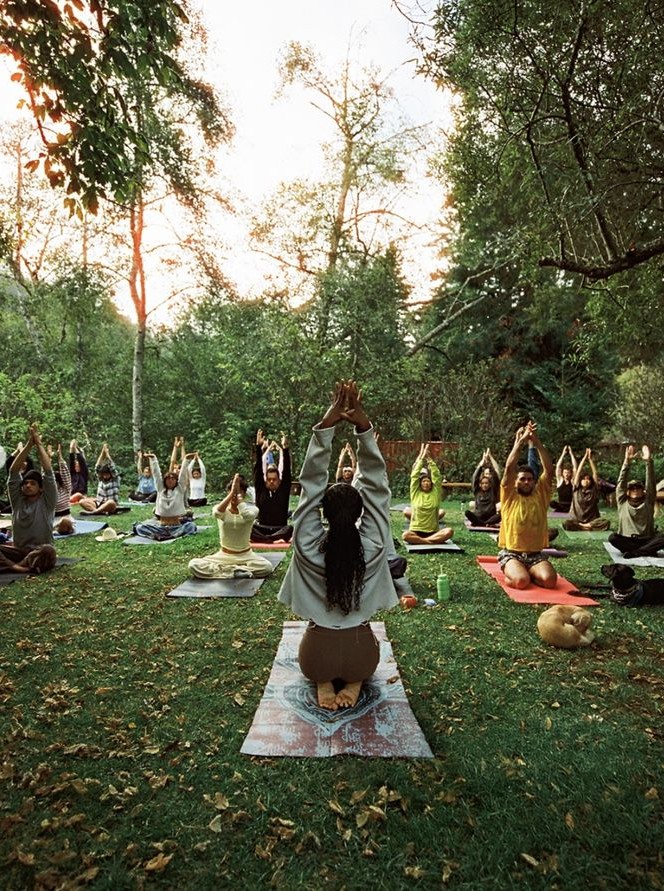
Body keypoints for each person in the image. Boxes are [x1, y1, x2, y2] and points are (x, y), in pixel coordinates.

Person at [278, 380, 398, 710]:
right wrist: (363, 428)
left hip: (315, 657)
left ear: (323, 513)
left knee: (320, 660)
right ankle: (356, 681)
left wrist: (326, 427)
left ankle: (324, 681)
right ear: (361, 512)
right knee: (360, 657)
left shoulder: (306, 545)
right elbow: (376, 488)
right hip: (363, 656)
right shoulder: (374, 545)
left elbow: (311, 483)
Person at [498, 422, 557, 589]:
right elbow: (509, 468)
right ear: (516, 482)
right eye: (522, 479)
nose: (526, 482)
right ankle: (516, 573)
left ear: (534, 482)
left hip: (535, 555)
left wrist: (537, 442)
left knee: (550, 581)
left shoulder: (541, 494)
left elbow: (549, 470)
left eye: (530, 479)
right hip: (512, 554)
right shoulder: (509, 495)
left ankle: (528, 572)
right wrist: (521, 441)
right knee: (521, 582)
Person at [188, 474, 273, 578]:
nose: (234, 495)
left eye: (239, 492)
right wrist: (232, 492)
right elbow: (217, 513)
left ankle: (229, 571)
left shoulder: (252, 509)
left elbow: (247, 516)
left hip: (245, 555)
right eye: (232, 492)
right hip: (224, 555)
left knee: (267, 567)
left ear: (244, 494)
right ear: (228, 492)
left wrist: (239, 501)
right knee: (194, 565)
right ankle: (234, 572)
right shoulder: (221, 509)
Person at [0, 425, 58, 571]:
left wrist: (38, 444)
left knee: (48, 551)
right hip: (18, 551)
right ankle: (20, 567)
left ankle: (16, 567)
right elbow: (13, 471)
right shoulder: (18, 501)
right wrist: (28, 445)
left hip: (40, 552)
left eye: (32, 483)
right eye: (25, 483)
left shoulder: (47, 502)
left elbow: (48, 472)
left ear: (41, 488)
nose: (27, 486)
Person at [608, 445, 664, 558]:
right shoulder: (622, 501)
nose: (635, 490)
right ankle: (645, 551)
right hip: (628, 540)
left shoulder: (648, 501)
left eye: (638, 488)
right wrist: (627, 462)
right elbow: (621, 483)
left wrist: (648, 461)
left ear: (643, 491)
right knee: (613, 538)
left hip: (646, 539)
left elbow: (651, 483)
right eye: (632, 488)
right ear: (627, 492)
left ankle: (636, 553)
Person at [132, 452, 196, 541]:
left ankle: (171, 536)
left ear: (176, 481)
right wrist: (153, 459)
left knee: (191, 526)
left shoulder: (179, 489)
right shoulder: (160, 489)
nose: (170, 480)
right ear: (164, 481)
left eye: (173, 479)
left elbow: (183, 475)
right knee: (139, 527)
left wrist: (186, 460)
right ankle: (163, 535)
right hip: (161, 528)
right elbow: (156, 474)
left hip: (176, 527)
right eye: (168, 478)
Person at [402, 443, 454, 545]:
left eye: (428, 481)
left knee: (449, 531)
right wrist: (421, 460)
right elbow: (414, 476)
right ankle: (430, 542)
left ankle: (423, 541)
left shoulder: (435, 493)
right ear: (420, 483)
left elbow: (437, 476)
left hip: (433, 532)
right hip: (416, 531)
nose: (426, 483)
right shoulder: (415, 493)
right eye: (423, 481)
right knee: (405, 535)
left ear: (431, 483)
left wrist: (429, 459)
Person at [251, 431, 293, 543]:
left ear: (279, 480)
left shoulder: (283, 490)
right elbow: (258, 471)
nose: (271, 482)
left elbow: (287, 473)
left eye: (274, 479)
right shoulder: (261, 490)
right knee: (249, 528)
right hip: (262, 528)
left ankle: (267, 540)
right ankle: (271, 539)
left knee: (290, 529)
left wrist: (285, 449)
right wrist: (259, 447)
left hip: (280, 528)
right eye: (269, 479)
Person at [562, 448, 610, 531]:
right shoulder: (576, 489)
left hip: (591, 521)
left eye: (588, 479)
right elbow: (578, 472)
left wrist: (590, 459)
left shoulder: (594, 490)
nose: (586, 481)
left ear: (591, 481)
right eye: (583, 479)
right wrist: (584, 458)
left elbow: (595, 474)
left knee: (606, 522)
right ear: (580, 481)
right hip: (576, 520)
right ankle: (585, 527)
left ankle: (584, 526)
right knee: (567, 524)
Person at [77, 443, 121, 514]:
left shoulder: (115, 480)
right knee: (82, 501)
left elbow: (112, 466)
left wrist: (107, 454)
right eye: (104, 474)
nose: (105, 476)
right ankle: (97, 511)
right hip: (98, 504)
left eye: (107, 474)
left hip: (110, 505)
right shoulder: (101, 479)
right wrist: (102, 452)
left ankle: (94, 512)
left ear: (110, 474)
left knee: (111, 502)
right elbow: (97, 466)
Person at [466, 448, 501, 527]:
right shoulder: (477, 491)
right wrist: (481, 466)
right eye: (483, 483)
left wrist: (489, 465)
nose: (485, 485)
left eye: (486, 483)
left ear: (490, 484)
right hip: (479, 516)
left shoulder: (493, 490)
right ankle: (485, 524)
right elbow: (475, 478)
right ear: (480, 485)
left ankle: (483, 523)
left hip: (490, 517)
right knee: (467, 513)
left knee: (500, 516)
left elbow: (496, 476)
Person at [550, 445, 577, 513]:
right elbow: (558, 467)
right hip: (561, 505)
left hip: (571, 505)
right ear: (563, 473)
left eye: (568, 473)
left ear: (570, 473)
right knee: (552, 503)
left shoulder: (572, 481)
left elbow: (575, 468)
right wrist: (563, 454)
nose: (567, 474)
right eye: (565, 472)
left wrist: (571, 454)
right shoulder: (560, 480)